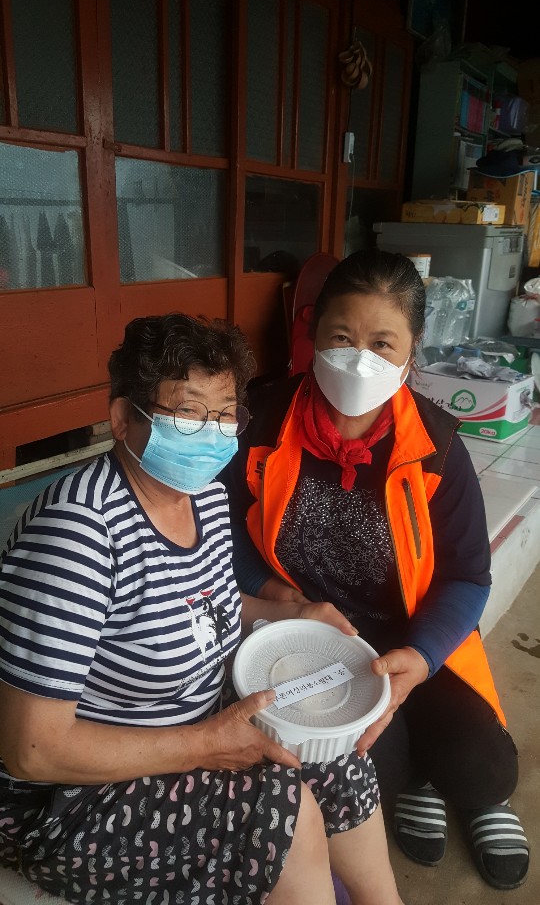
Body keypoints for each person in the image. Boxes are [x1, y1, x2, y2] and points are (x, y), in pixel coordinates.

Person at [0, 312, 405, 905]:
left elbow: (202, 604)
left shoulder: (206, 498)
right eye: (188, 413)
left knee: (335, 757)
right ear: (122, 419)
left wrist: (288, 616)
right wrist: (203, 744)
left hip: (191, 726)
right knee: (280, 811)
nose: (212, 434)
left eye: (225, 414)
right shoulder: (78, 534)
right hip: (72, 795)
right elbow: (32, 749)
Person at [223, 250, 530, 892]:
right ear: (313, 334)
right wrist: (280, 597)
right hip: (317, 641)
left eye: (382, 343)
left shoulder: (437, 447)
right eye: (342, 337)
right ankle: (418, 779)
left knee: (486, 770)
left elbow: (468, 576)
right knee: (371, 780)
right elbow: (223, 527)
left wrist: (420, 657)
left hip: (412, 635)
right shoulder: (262, 422)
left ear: (411, 352)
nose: (358, 358)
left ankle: (456, 785)